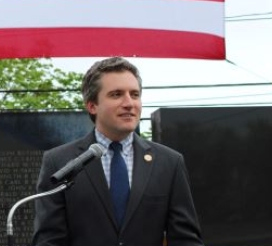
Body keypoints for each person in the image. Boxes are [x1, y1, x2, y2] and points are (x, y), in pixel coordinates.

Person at [32, 57, 203, 246]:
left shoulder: (169, 162)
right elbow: (48, 240)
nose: (129, 103)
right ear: (92, 105)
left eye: (135, 94)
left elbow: (186, 240)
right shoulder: (59, 162)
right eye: (116, 94)